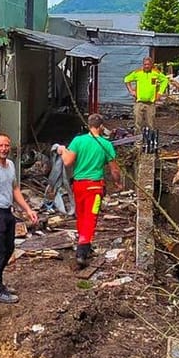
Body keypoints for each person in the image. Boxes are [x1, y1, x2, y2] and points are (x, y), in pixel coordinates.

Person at [0, 132, 40, 303]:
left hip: (7, 211)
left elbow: (15, 190)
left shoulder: (11, 165)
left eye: (6, 145)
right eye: (0, 145)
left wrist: (28, 209)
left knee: (9, 248)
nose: (4, 149)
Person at [61, 113, 123, 269]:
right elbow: (114, 170)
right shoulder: (106, 145)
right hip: (95, 188)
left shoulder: (78, 141)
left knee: (81, 215)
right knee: (91, 217)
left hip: (78, 186)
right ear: (101, 127)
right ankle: (82, 250)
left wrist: (62, 151)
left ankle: (85, 246)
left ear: (88, 126)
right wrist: (118, 183)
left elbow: (68, 162)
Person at [124, 53, 171, 143]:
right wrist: (131, 91)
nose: (146, 66)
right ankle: (138, 143)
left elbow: (165, 80)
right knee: (138, 123)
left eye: (148, 64)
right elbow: (126, 79)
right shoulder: (138, 72)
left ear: (151, 65)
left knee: (151, 124)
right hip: (139, 102)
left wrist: (160, 92)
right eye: (145, 64)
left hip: (151, 103)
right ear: (143, 64)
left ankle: (150, 143)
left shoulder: (156, 72)